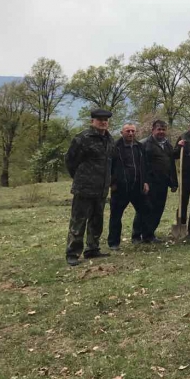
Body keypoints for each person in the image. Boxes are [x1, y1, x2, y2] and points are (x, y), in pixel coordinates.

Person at [64, 108, 115, 266]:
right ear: (92, 121)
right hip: (84, 187)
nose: (103, 122)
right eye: (100, 120)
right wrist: (80, 177)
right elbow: (70, 161)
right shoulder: (83, 138)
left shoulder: (109, 139)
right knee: (78, 221)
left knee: (96, 220)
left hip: (101, 188)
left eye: (105, 120)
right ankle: (73, 253)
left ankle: (92, 249)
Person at [107, 123, 150, 250]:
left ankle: (136, 236)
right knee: (116, 216)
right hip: (120, 188)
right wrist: (112, 183)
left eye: (133, 131)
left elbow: (144, 166)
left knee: (143, 211)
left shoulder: (140, 147)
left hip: (137, 187)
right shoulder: (115, 147)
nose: (130, 133)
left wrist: (145, 181)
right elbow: (109, 166)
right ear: (122, 132)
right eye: (128, 131)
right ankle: (113, 242)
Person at [140, 120, 178, 243]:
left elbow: (171, 163)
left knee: (158, 209)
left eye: (163, 129)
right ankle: (137, 235)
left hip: (163, 183)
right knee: (146, 209)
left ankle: (150, 234)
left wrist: (173, 182)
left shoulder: (167, 145)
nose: (161, 132)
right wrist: (144, 182)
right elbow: (141, 165)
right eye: (159, 129)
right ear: (153, 130)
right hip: (149, 183)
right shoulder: (145, 144)